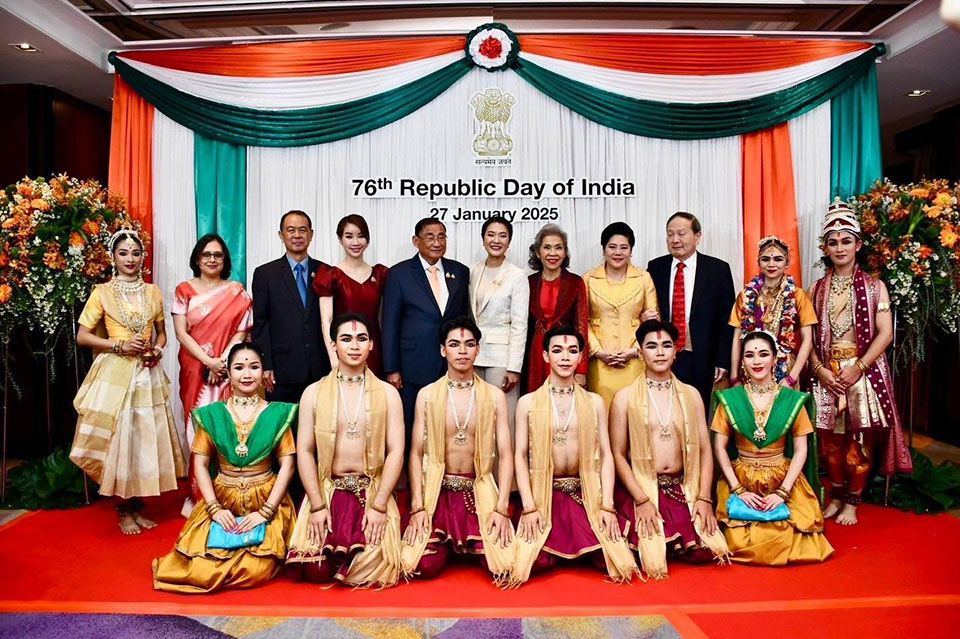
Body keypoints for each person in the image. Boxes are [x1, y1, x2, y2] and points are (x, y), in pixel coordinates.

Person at [152, 342, 298, 593]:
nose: (247, 374)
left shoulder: (277, 413)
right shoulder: (212, 415)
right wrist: (214, 508)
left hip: (266, 498)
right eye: (239, 368)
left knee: (254, 569)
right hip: (222, 499)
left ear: (263, 372)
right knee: (199, 567)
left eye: (254, 367)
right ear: (228, 373)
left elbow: (288, 465)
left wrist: (265, 512)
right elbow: (200, 463)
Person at [71, 229, 186, 534]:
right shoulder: (102, 292)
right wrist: (119, 346)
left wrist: (157, 350)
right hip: (116, 372)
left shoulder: (153, 292)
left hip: (147, 373)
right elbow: (83, 336)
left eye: (135, 253)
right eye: (123, 253)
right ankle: (122, 509)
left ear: (143, 257)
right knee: (120, 440)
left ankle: (136, 506)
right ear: (113, 257)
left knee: (144, 439)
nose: (130, 258)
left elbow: (162, 334)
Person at [808, 200, 912, 526]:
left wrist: (858, 368)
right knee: (828, 444)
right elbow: (807, 337)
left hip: (861, 372)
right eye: (833, 242)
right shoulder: (815, 289)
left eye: (846, 240)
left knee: (859, 443)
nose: (840, 248)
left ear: (858, 245)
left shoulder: (875, 287)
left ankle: (853, 500)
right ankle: (836, 495)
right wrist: (819, 369)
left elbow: (886, 334)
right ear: (825, 248)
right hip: (827, 374)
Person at [510, 326, 638, 586]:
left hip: (584, 493)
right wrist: (529, 507)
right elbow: (520, 457)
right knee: (534, 561)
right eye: (557, 351)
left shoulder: (594, 402)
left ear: (581, 356)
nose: (565, 357)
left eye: (572, 351)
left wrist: (607, 505)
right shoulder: (527, 403)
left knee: (609, 559)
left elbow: (606, 454)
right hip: (544, 495)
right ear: (545, 356)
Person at [285, 313, 405, 587]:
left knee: (372, 568)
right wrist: (317, 505)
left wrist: (379, 505)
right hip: (328, 490)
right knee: (315, 570)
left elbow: (396, 451)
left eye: (361, 339)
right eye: (346, 339)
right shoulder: (313, 393)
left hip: (372, 491)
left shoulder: (388, 393)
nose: (354, 346)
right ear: (333, 345)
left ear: (371, 345)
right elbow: (304, 451)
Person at [609, 320, 729, 578]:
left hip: (683, 487)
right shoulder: (624, 398)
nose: (660, 352)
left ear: (676, 351)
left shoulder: (691, 395)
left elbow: (705, 450)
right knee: (643, 550)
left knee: (708, 550)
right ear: (640, 352)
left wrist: (705, 498)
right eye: (652, 346)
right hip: (641, 488)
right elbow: (617, 454)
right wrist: (641, 500)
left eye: (666, 345)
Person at [401, 317, 515, 582]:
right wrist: (417, 506)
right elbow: (416, 453)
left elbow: (506, 454)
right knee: (420, 565)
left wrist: (501, 508)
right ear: (443, 350)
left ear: (478, 350)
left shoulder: (494, 396)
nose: (462, 351)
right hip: (437, 491)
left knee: (503, 567)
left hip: (478, 490)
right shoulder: (427, 395)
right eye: (454, 344)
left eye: (469, 344)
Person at [712, 331, 834, 566]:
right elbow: (720, 448)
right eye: (749, 355)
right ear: (742, 361)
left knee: (796, 539)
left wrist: (782, 493)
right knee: (735, 541)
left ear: (775, 358)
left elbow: (801, 450)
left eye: (763, 354)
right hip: (741, 479)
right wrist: (738, 490)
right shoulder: (730, 399)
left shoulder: (791, 400)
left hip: (782, 478)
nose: (757, 361)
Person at [173, 234, 253, 516]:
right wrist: (208, 361)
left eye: (218, 255)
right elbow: (181, 333)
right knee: (197, 431)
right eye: (206, 254)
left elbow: (242, 331)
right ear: (197, 258)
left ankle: (229, 495)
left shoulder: (237, 292)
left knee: (230, 430)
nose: (212, 259)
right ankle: (197, 496)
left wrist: (222, 362)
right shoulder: (184, 290)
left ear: (225, 260)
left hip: (229, 370)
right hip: (195, 369)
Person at [382, 218, 470, 441]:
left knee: (449, 424)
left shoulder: (460, 271)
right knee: (414, 427)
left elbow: (463, 319)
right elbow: (390, 323)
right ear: (416, 241)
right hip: (413, 365)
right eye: (430, 237)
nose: (437, 243)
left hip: (451, 364)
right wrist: (392, 368)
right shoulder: (399, 274)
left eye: (441, 237)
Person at [647, 212, 735, 409]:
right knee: (664, 409)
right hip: (664, 354)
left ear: (697, 236)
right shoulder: (656, 268)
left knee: (697, 410)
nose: (675, 240)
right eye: (670, 234)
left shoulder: (717, 269)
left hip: (702, 355)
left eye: (681, 233)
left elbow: (727, 320)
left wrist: (723, 360)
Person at [251, 210, 330, 404]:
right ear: (281, 235)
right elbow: (261, 323)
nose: (297, 235)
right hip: (282, 369)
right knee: (285, 422)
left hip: (320, 367)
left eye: (302, 230)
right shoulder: (265, 274)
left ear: (311, 234)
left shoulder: (325, 271)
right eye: (291, 230)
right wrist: (265, 364)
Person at [585, 222, 659, 408]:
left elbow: (653, 322)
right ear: (603, 249)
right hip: (600, 362)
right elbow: (582, 321)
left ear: (631, 251)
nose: (617, 252)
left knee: (634, 412)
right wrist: (598, 351)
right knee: (601, 413)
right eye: (612, 247)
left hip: (634, 360)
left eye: (624, 247)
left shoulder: (643, 278)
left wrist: (634, 350)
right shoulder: (589, 279)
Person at [729, 236, 816, 388]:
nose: (771, 264)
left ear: (787, 263)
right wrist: (734, 376)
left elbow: (807, 340)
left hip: (785, 370)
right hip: (752, 366)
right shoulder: (746, 295)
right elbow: (737, 337)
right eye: (765, 259)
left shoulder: (798, 295)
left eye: (778, 259)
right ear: (758, 262)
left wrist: (791, 378)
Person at [469, 215, 529, 427]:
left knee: (503, 417)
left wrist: (514, 367)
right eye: (491, 235)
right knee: (476, 416)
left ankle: (506, 452)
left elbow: (520, 325)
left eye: (502, 236)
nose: (496, 240)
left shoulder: (517, 275)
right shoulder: (473, 271)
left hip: (502, 357)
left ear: (509, 241)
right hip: (473, 354)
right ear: (483, 238)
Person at [315, 214, 389, 377]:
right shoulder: (331, 275)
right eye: (349, 236)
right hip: (344, 349)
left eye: (361, 236)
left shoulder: (380, 274)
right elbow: (326, 321)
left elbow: (382, 320)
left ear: (367, 240)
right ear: (340, 239)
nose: (355, 242)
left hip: (374, 349)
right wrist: (334, 358)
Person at [522, 224, 589, 394]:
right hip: (535, 355)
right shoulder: (528, 283)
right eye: (547, 247)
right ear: (538, 253)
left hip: (565, 354)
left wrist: (581, 370)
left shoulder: (575, 282)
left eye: (558, 247)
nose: (553, 253)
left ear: (565, 252)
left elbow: (581, 327)